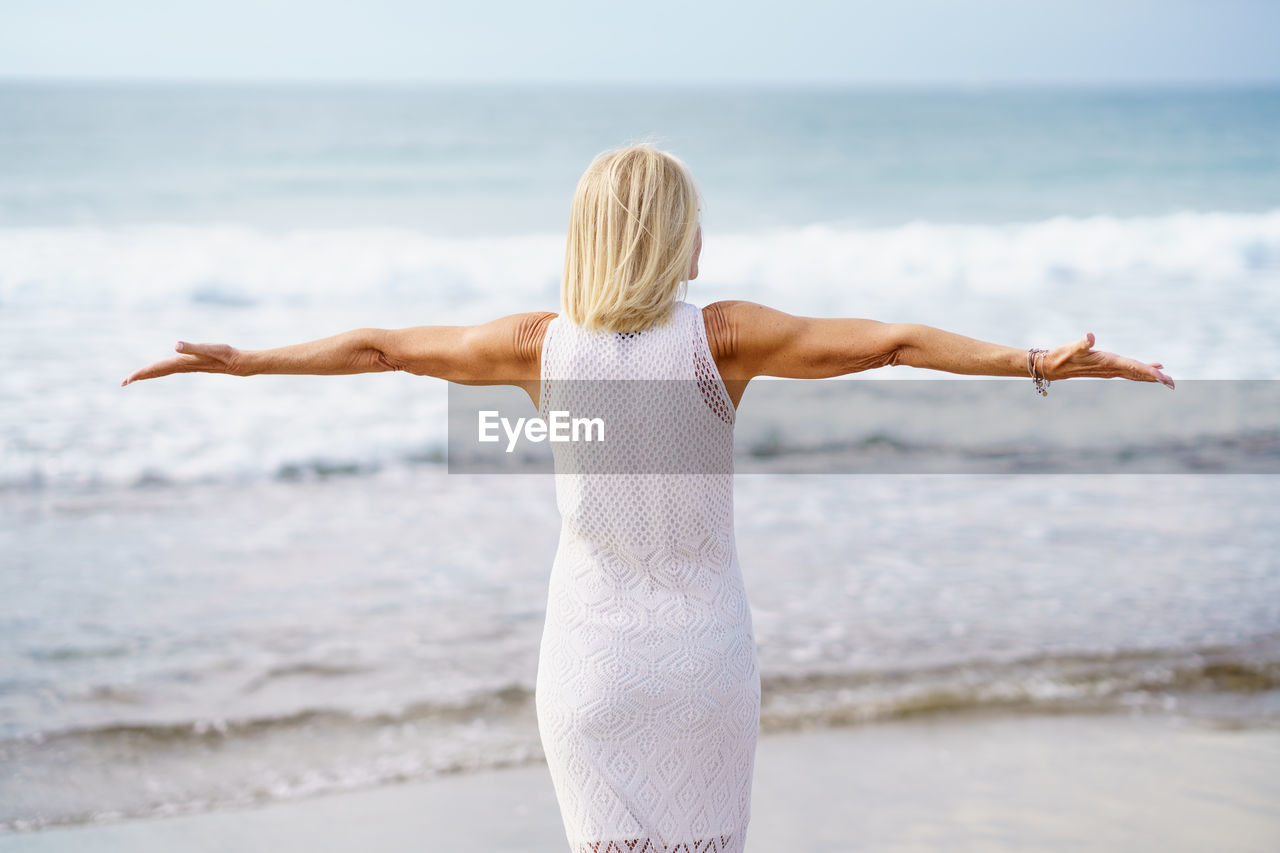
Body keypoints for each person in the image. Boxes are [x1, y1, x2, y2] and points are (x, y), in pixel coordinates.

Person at [122, 144, 1174, 853]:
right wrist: (1032, 360)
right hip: (702, 661)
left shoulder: (537, 346)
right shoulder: (723, 335)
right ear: (678, 235)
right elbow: (894, 338)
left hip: (587, 666)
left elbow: (381, 347)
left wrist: (249, 361)